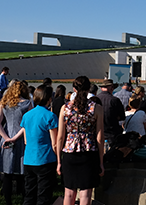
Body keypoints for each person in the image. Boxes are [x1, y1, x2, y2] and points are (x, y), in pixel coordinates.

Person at [56, 76, 104, 205]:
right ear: (89, 89)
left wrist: (58, 161)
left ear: (74, 89)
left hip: (69, 151)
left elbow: (60, 137)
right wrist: (101, 161)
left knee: (69, 193)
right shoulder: (96, 108)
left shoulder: (65, 108)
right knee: (86, 193)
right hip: (89, 151)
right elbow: (100, 137)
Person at [0, 80, 32, 205]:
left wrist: (6, 137)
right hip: (20, 138)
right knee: (21, 171)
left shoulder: (4, 103)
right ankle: (23, 197)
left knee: (7, 171)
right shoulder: (27, 104)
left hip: (6, 137)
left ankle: (8, 200)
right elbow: (27, 124)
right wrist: (15, 138)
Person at [20, 85, 59, 205]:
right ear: (49, 99)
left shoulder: (27, 115)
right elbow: (55, 142)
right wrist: (59, 159)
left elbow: (26, 140)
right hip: (45, 158)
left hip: (29, 158)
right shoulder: (50, 116)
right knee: (44, 195)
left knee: (29, 193)